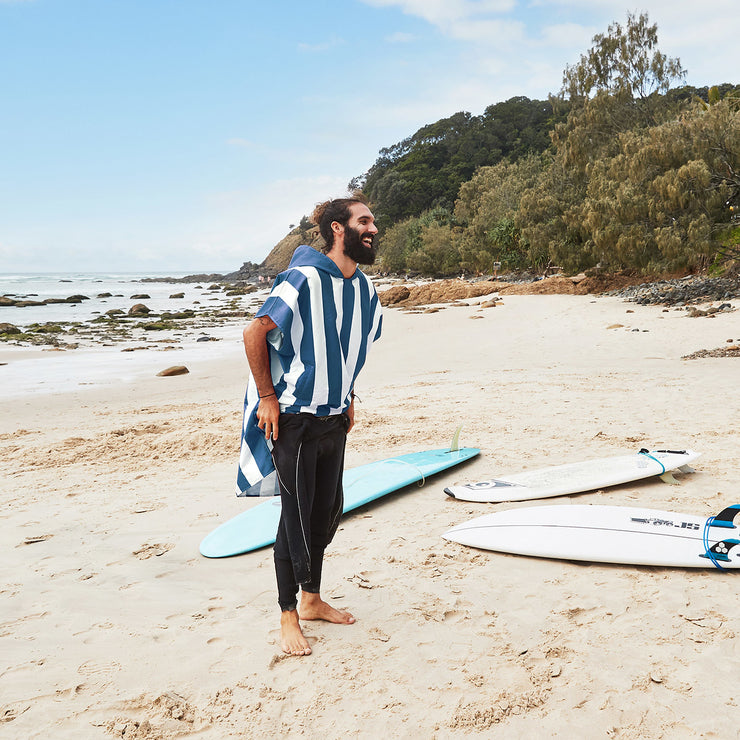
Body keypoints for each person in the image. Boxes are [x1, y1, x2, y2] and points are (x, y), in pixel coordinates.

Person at [237, 196, 382, 656]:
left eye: (373, 221)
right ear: (338, 229)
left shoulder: (364, 290)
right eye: (364, 221)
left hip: (335, 417)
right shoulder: (301, 279)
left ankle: (313, 599)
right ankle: (288, 614)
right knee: (294, 518)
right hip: (295, 418)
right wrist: (266, 397)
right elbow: (254, 331)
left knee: (325, 512)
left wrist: (349, 398)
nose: (373, 228)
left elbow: (348, 348)